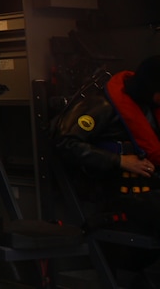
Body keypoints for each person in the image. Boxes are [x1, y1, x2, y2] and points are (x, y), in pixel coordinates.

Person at [53, 57, 160, 229]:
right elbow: (65, 142)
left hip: (147, 193)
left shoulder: (149, 108)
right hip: (114, 196)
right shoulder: (102, 106)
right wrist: (119, 160)